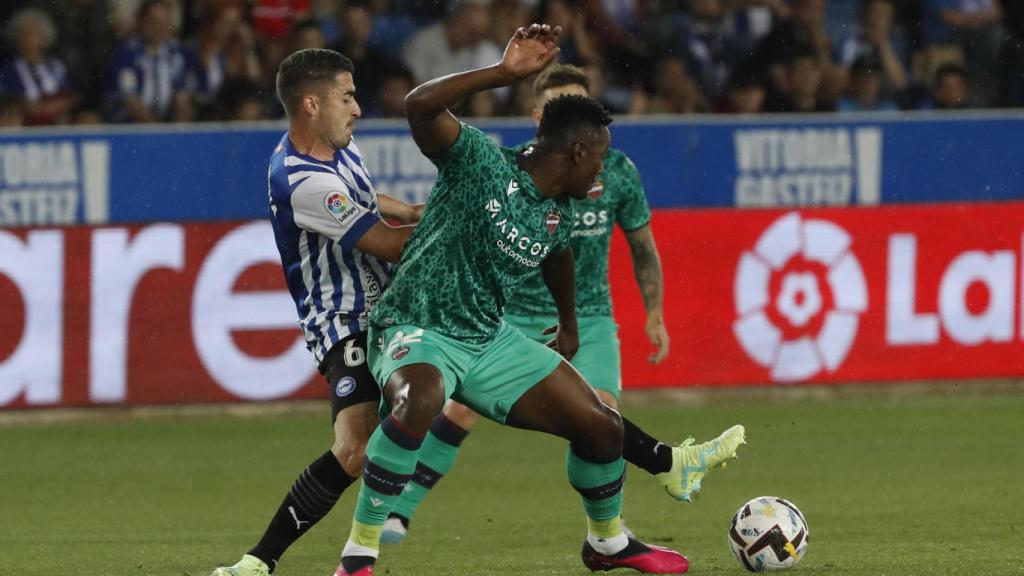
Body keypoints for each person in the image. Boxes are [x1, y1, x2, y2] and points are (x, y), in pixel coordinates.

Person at [334, 24, 745, 576]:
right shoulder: (481, 161)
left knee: (600, 425)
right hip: (416, 324)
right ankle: (359, 556)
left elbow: (558, 256)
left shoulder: (558, 212)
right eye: (597, 158)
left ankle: (608, 543)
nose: (601, 171)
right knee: (422, 397)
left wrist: (569, 324)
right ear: (576, 151)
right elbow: (418, 106)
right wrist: (503, 75)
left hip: (486, 339)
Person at [380, 61, 675, 545]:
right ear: (538, 116)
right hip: (508, 307)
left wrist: (654, 311)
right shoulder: (511, 168)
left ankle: (606, 529)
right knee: (457, 410)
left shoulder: (617, 172)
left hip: (590, 310)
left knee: (600, 415)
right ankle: (400, 509)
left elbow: (640, 245)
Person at [210, 47, 422, 576]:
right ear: (311, 103)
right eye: (347, 97)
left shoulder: (340, 148)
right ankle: (260, 561)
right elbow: (388, 245)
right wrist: (454, 225)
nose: (357, 109)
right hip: (345, 320)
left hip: (391, 308)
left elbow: (368, 199)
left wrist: (415, 211)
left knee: (410, 412)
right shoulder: (301, 179)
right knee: (353, 449)